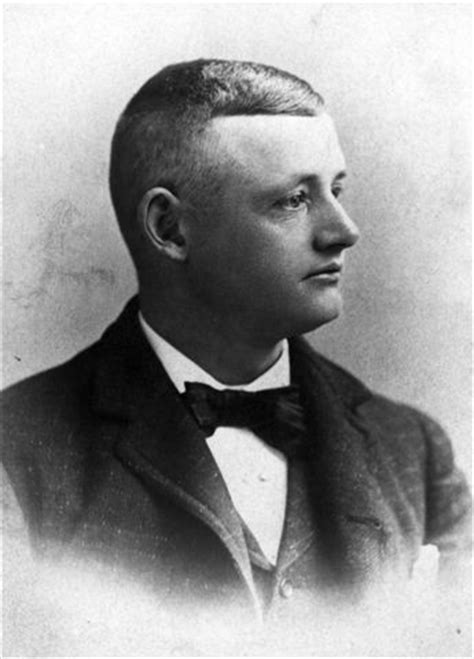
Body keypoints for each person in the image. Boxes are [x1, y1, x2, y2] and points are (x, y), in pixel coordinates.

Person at [2, 59, 471, 651]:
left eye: (336, 190)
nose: (344, 229)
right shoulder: (16, 453)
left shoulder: (413, 451)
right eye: (293, 200)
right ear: (170, 228)